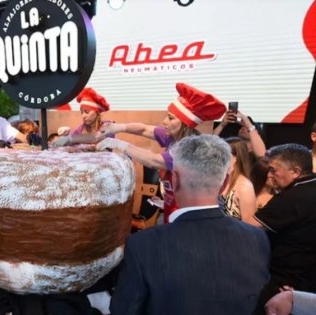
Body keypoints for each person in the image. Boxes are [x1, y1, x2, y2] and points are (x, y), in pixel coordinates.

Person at [109, 134, 270, 315]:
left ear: (174, 180)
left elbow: (124, 310)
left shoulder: (142, 245)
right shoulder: (256, 238)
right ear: (225, 182)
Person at [96, 83, 227, 223]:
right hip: (172, 209)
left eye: (171, 118)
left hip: (186, 218)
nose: (165, 122)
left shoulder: (188, 149)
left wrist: (119, 144)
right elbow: (144, 129)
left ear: (185, 123)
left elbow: (153, 161)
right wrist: (117, 127)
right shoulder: (172, 137)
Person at [249, 144, 316, 311]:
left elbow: (248, 228)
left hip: (285, 282)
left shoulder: (291, 198)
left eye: (273, 170)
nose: (270, 176)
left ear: (295, 172)